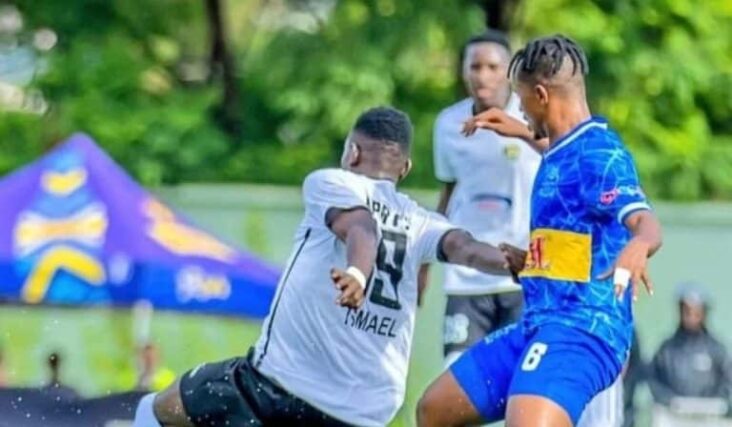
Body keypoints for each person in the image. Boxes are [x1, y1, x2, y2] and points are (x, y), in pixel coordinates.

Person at [133, 106, 520, 427]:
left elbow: (362, 228)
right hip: (365, 415)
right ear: (404, 169)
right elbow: (466, 249)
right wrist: (513, 262)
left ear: (352, 153)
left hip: (279, 388)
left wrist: (357, 274)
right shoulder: (422, 223)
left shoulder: (332, 183)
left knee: (158, 408)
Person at [417, 34, 663, 427]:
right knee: (434, 410)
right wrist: (532, 262)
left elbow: (645, 223)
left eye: (521, 99)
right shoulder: (562, 150)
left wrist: (640, 246)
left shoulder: (600, 153)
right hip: (538, 323)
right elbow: (577, 233)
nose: (519, 109)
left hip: (583, 330)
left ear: (542, 95)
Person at [420, 29, 540, 367]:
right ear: (463, 71)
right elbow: (448, 192)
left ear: (509, 71)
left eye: (492, 66)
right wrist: (424, 265)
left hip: (522, 275)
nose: (483, 75)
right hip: (466, 278)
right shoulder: (449, 124)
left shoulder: (531, 118)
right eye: (475, 66)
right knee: (458, 376)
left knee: (518, 380)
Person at [649, 283, 732, 410]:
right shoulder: (667, 350)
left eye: (696, 312)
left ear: (704, 313)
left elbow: (727, 381)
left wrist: (715, 403)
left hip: (710, 416)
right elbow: (653, 380)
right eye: (687, 311)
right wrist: (670, 401)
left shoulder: (717, 350)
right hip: (674, 415)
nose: (691, 316)